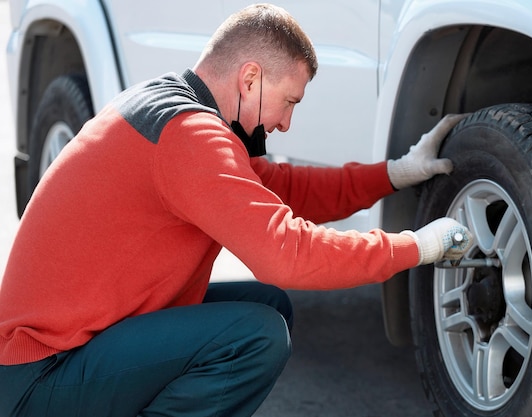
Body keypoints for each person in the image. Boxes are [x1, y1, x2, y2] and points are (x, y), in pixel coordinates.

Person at [0, 3, 472, 416]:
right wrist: (417, 246)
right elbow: (286, 254)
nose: (285, 123)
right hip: (38, 377)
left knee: (267, 306)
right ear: (250, 78)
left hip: (64, 350)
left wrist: (396, 173)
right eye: (288, 102)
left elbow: (283, 189)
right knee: (256, 336)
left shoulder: (171, 106)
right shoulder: (190, 137)